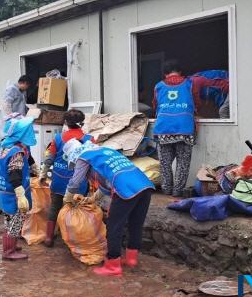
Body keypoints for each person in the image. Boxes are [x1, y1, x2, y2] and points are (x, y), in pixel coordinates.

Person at [63, 140, 154, 277]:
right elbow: (107, 179)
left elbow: (75, 182)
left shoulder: (83, 157)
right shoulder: (105, 151)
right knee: (136, 224)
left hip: (126, 189)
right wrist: (94, 197)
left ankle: (113, 265)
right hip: (144, 185)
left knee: (113, 226)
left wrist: (68, 197)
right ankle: (131, 259)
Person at [0, 117, 37, 260]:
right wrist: (21, 196)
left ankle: (11, 245)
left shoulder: (4, 145)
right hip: (14, 191)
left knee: (9, 218)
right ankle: (9, 252)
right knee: (17, 219)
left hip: (3, 190)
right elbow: (14, 175)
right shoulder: (17, 152)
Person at [39, 109, 94, 247]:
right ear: (82, 123)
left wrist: (43, 175)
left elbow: (49, 159)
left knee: (54, 208)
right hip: (78, 184)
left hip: (58, 180)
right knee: (75, 212)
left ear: (65, 122)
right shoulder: (89, 140)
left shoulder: (57, 138)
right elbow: (93, 163)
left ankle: (49, 238)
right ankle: (72, 241)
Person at [152, 62, 195, 197]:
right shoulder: (190, 84)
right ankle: (177, 192)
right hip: (184, 128)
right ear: (181, 72)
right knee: (182, 164)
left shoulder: (159, 86)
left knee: (165, 164)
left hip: (163, 128)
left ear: (165, 73)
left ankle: (166, 190)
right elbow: (197, 103)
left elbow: (155, 105)